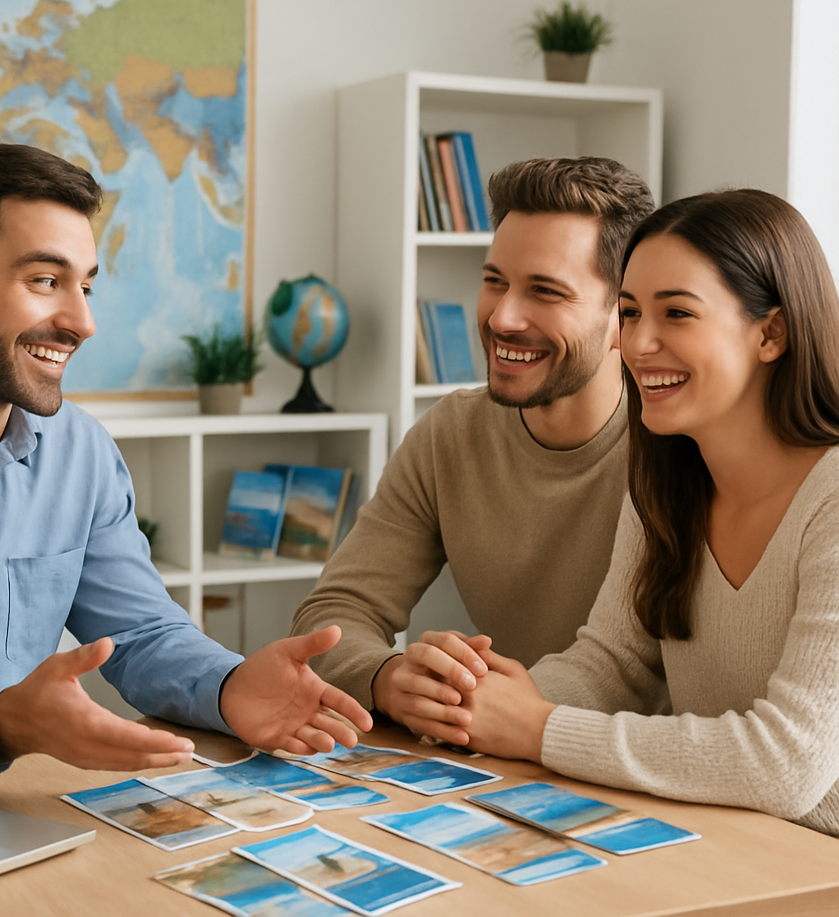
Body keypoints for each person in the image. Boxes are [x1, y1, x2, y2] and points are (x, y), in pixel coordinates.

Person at [0, 142, 371, 787]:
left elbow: (140, 633)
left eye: (85, 285)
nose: (82, 321)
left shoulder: (80, 452)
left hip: (12, 817)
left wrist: (229, 685)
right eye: (45, 281)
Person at [465, 188, 839, 837]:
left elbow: (790, 765)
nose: (639, 343)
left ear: (770, 333)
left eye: (677, 313)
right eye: (631, 313)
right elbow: (614, 665)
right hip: (726, 844)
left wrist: (537, 727)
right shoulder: (667, 480)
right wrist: (481, 695)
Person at [291, 156, 654, 747]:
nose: (503, 317)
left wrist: (489, 707)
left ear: (623, 315)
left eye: (546, 291)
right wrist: (388, 677)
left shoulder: (675, 449)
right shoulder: (449, 434)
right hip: (497, 757)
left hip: (633, 772)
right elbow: (334, 611)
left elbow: (630, 669)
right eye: (494, 281)